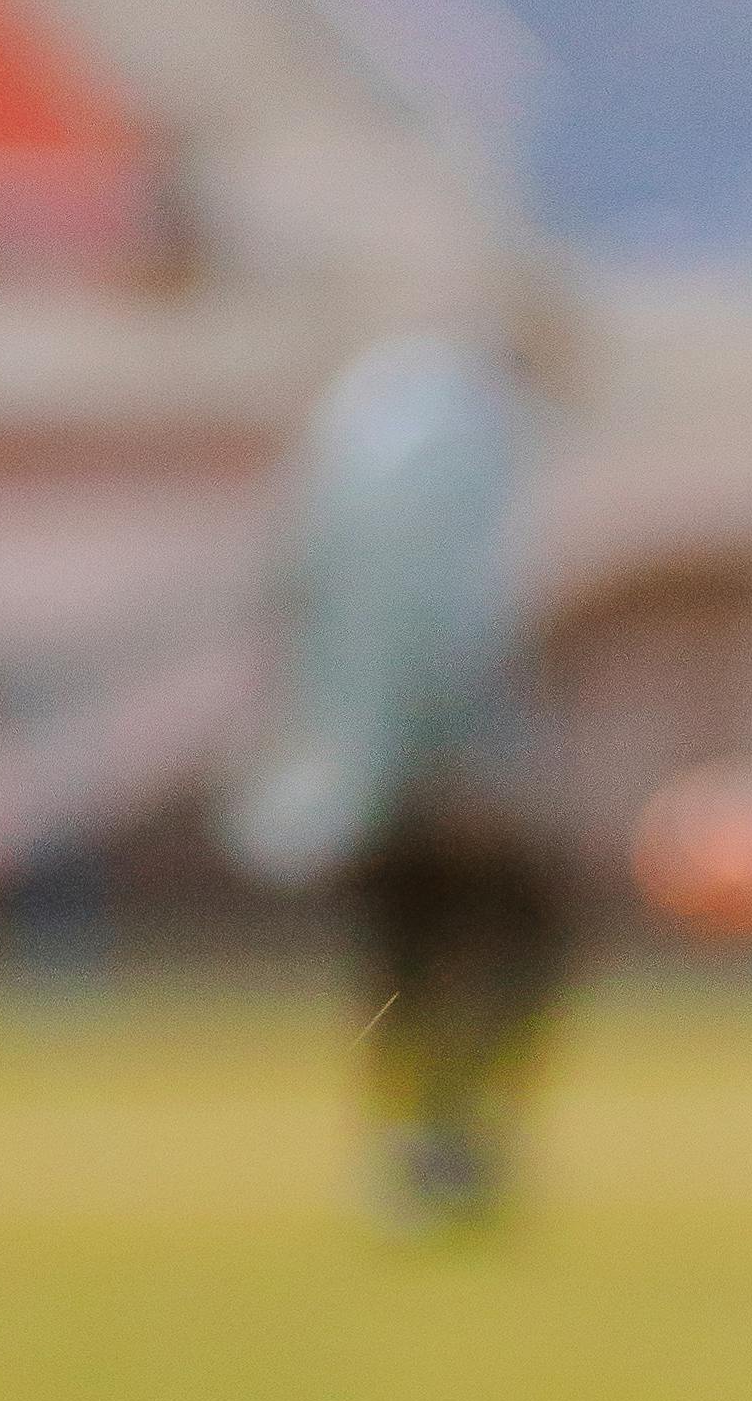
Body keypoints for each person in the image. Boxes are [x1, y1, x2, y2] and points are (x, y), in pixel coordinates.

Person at [223, 277, 583, 1227]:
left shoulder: (372, 414)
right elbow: (443, 609)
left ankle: (416, 1140)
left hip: (355, 751)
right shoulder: (469, 436)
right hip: (428, 751)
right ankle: (451, 1135)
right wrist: (462, 750)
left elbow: (299, 579)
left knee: (401, 953)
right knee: (516, 937)